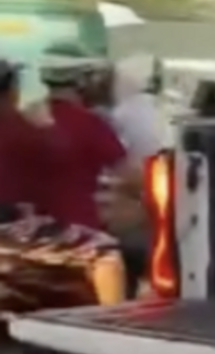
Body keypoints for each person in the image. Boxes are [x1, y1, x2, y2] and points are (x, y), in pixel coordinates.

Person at [38, 44, 141, 230]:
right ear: (80, 81)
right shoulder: (89, 124)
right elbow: (131, 176)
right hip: (79, 230)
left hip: (31, 230)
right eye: (91, 76)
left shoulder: (26, 117)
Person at [0, 59, 71, 217]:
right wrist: (47, 127)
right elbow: (64, 164)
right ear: (12, 92)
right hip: (18, 219)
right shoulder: (26, 128)